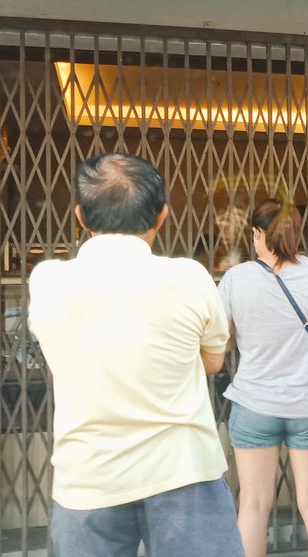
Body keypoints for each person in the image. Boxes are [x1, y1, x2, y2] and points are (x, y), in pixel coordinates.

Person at [27, 153, 243, 557]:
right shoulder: (189, 278)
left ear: (81, 216)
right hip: (182, 471)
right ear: (161, 215)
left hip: (88, 478)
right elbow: (214, 361)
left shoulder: (49, 281)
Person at [218, 198, 308, 557]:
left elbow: (223, 341)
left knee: (253, 506)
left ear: (257, 233)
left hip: (255, 402)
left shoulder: (235, 279)